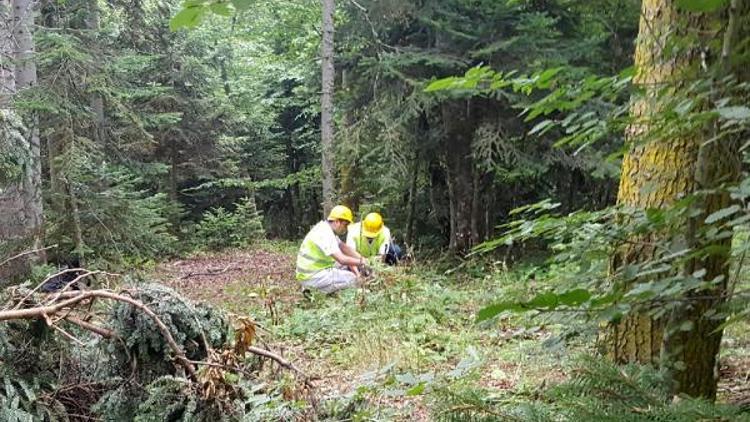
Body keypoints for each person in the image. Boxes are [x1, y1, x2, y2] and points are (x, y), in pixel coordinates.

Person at [296, 205, 368, 294]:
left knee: (346, 268)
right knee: (352, 279)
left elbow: (343, 246)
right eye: (345, 225)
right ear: (337, 222)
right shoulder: (326, 234)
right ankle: (313, 291)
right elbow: (342, 259)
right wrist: (363, 262)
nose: (345, 229)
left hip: (311, 272)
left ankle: (316, 288)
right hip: (312, 275)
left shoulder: (325, 228)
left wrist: (361, 257)